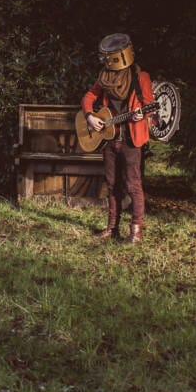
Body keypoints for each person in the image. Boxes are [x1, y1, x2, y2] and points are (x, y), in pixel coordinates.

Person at [81, 33, 154, 243]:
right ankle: (112, 228)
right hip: (109, 140)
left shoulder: (141, 77)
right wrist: (89, 116)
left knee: (133, 185)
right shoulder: (105, 77)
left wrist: (143, 114)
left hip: (131, 140)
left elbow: (149, 105)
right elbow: (89, 96)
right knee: (112, 184)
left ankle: (136, 233)